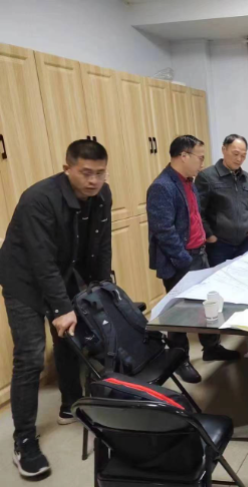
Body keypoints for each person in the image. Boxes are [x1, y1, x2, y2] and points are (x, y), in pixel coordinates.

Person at [0, 140, 112, 479]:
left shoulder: (102, 195)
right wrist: (61, 308)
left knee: (70, 338)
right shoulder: (39, 199)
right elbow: (40, 260)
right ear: (67, 169)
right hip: (24, 280)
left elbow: (100, 246)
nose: (94, 180)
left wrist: (101, 290)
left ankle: (70, 405)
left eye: (100, 173)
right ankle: (23, 440)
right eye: (86, 173)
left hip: (62, 272)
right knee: (31, 356)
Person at [147, 135, 240, 385]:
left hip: (199, 253)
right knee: (179, 313)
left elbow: (195, 215)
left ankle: (211, 347)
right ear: (183, 156)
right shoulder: (162, 187)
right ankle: (180, 360)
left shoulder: (189, 182)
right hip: (180, 259)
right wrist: (183, 261)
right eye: (199, 157)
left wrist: (205, 240)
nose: (202, 163)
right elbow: (163, 231)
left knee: (207, 304)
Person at [196, 134, 248, 267]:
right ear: (224, 150)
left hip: (246, 242)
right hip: (219, 246)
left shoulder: (247, 178)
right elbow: (198, 212)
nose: (239, 159)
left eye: (243, 156)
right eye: (235, 154)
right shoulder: (206, 177)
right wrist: (210, 236)